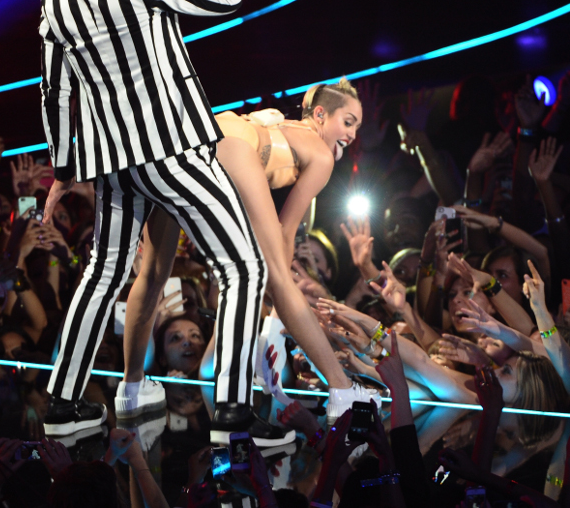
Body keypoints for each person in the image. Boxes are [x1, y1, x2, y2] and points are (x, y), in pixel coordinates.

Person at [38, 0, 286, 445]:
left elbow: (58, 94)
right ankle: (230, 411)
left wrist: (65, 170)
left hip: (114, 163)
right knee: (243, 267)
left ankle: (62, 403)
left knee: (103, 274)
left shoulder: (54, 2)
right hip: (170, 146)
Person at [118, 79, 379, 429]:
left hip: (182, 145)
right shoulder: (319, 153)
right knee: (268, 275)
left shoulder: (278, 123)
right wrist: (282, 290)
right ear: (320, 114)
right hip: (232, 150)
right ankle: (343, 388)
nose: (352, 135)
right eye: (348, 122)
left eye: (357, 127)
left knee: (152, 275)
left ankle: (131, 388)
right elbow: (287, 231)